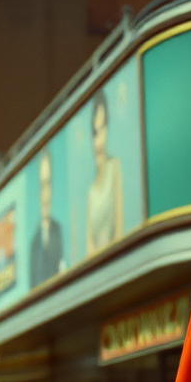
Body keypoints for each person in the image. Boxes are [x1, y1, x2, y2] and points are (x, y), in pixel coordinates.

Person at [85, 90, 124, 257]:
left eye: (102, 130)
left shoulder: (114, 167)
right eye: (95, 132)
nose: (98, 141)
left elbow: (119, 229)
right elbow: (89, 247)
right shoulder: (91, 192)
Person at [29, 147, 65, 288]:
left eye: (48, 184)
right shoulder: (34, 244)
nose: (45, 195)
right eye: (42, 185)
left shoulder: (59, 231)